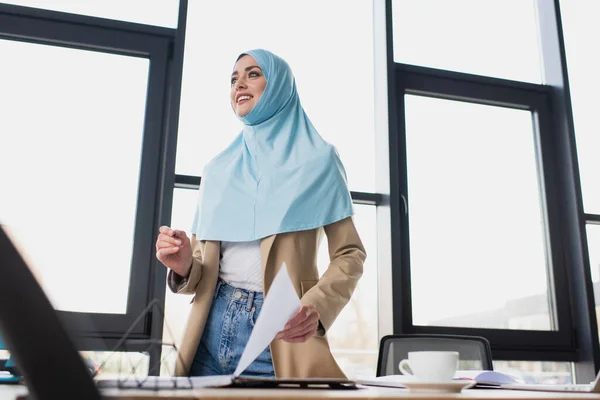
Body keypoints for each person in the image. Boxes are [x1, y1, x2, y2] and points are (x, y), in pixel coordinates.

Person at [155, 49, 366, 379]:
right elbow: (201, 268)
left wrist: (316, 306)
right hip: (209, 331)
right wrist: (183, 264)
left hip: (279, 332)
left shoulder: (320, 160)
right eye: (233, 79)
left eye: (253, 74)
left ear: (280, 85)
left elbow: (350, 254)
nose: (239, 84)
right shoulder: (218, 170)